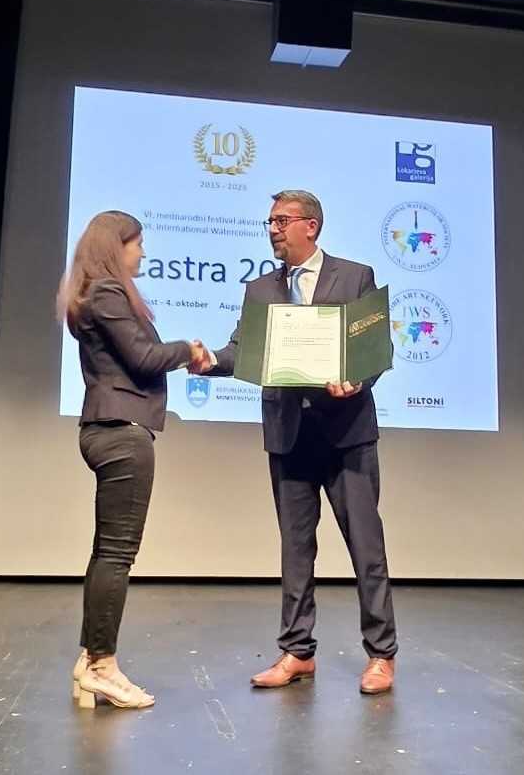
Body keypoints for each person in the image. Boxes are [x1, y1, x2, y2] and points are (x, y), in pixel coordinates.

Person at [191, 190, 398, 694]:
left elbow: (374, 347)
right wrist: (209, 361)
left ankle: (381, 654)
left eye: (282, 221)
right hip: (289, 433)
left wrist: (357, 379)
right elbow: (242, 349)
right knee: (295, 549)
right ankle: (297, 652)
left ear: (312, 225)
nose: (273, 230)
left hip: (346, 434)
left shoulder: (355, 276)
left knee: (365, 546)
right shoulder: (261, 289)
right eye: (270, 222)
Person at [58, 210, 204, 710]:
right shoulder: (106, 292)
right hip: (120, 432)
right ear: (115, 247)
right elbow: (144, 358)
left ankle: (90, 660)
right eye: (137, 243)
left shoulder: (94, 293)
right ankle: (103, 667)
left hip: (109, 430)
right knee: (117, 555)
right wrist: (187, 349)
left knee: (107, 552)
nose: (142, 252)